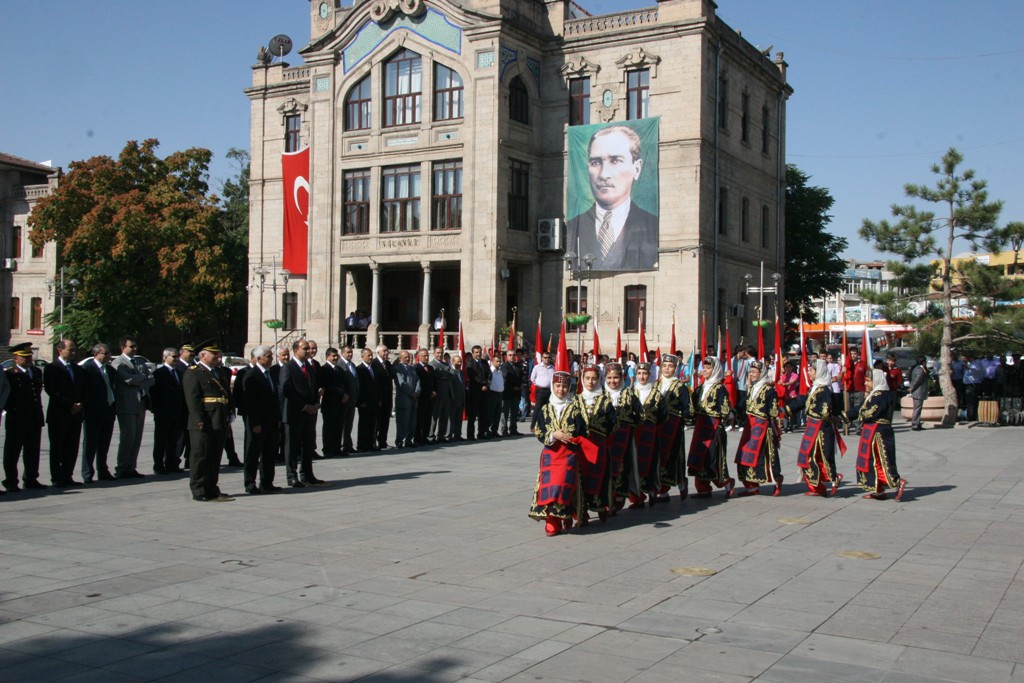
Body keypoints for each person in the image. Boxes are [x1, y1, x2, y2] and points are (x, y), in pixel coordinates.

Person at [566, 125, 658, 271]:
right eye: (596, 162)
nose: (603, 174)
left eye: (615, 161)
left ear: (637, 168)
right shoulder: (571, 228)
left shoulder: (652, 225)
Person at [528, 369, 584, 536]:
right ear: (553, 386)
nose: (561, 389)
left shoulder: (575, 409)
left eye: (565, 386)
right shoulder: (545, 409)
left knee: (564, 487)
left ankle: (565, 517)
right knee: (549, 488)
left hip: (568, 455)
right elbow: (539, 430)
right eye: (558, 386)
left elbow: (582, 430)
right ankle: (552, 522)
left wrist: (571, 437)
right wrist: (553, 435)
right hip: (550, 454)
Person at [182, 343, 234, 502]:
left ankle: (212, 488)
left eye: (219, 355)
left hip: (219, 418)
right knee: (200, 456)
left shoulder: (219, 372)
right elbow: (193, 399)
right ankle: (199, 490)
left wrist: (230, 411)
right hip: (204, 420)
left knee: (214, 455)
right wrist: (198, 420)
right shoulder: (194, 373)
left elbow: (226, 395)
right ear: (203, 356)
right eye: (215, 355)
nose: (219, 358)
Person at [279, 339, 329, 487]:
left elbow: (313, 387)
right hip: (295, 412)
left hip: (310, 413)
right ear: (296, 350)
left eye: (309, 349)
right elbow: (286, 389)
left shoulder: (310, 366)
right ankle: (292, 475)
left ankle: (307, 474)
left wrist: (315, 403)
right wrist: (303, 406)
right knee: (292, 446)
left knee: (308, 444)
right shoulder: (288, 367)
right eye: (305, 349)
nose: (308, 351)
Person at [855, 368, 907, 501]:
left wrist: (860, 414)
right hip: (871, 431)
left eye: (868, 381)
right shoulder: (874, 394)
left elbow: (870, 413)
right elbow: (862, 409)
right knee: (872, 460)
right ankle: (878, 490)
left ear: (876, 380)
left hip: (879, 432)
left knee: (882, 460)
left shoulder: (882, 395)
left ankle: (897, 482)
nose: (866, 384)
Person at [575, 364, 617, 525]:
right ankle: (582, 511)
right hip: (581, 447)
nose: (590, 382)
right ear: (582, 379)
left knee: (599, 477)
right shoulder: (576, 400)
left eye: (593, 378)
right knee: (582, 478)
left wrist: (604, 437)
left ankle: (600, 506)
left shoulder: (605, 401)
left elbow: (614, 423)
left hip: (599, 445)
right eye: (587, 378)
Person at [41, 339, 87, 488]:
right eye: (70, 350)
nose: (74, 353)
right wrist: (70, 404)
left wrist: (80, 403)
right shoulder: (52, 368)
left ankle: (68, 475)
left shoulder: (78, 369)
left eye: (75, 350)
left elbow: (84, 389)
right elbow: (52, 391)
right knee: (57, 447)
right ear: (60, 350)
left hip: (75, 413)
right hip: (59, 413)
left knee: (72, 446)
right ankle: (57, 477)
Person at [688, 356, 734, 498]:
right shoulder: (700, 388)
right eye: (704, 368)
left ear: (715, 370)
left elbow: (725, 410)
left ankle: (726, 483)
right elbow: (692, 407)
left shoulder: (720, 388)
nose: (705, 370)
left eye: (708, 368)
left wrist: (712, 414)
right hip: (700, 427)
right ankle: (703, 488)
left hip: (714, 428)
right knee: (699, 456)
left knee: (713, 458)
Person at [734, 361, 783, 496]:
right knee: (744, 454)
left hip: (763, 427)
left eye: (755, 372)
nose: (752, 375)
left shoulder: (769, 390)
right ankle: (751, 486)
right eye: (750, 372)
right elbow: (742, 405)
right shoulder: (751, 388)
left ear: (761, 373)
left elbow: (773, 411)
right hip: (750, 427)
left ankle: (776, 479)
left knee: (765, 456)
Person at [797, 359, 845, 497]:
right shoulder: (815, 388)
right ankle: (816, 487)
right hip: (812, 428)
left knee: (817, 457)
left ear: (819, 373)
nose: (809, 372)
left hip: (820, 430)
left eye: (811, 370)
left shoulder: (824, 390)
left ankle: (831, 479)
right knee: (810, 457)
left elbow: (825, 411)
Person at [3, 343, 46, 491]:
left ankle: (31, 478)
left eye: (30, 356)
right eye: (25, 356)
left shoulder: (35, 372)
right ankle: (11, 481)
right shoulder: (10, 373)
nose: (29, 359)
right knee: (12, 452)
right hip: (17, 418)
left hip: (34, 416)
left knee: (32, 450)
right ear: (16, 357)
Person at [111, 336, 155, 479]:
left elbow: (152, 379)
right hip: (126, 405)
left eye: (136, 346)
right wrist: (141, 377)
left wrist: (139, 378)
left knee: (137, 437)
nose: (135, 349)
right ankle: (121, 467)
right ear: (123, 348)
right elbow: (127, 379)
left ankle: (131, 466)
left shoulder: (139, 361)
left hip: (141, 403)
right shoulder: (118, 362)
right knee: (128, 436)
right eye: (131, 346)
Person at [241, 345, 281, 493]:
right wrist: (254, 423)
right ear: (259, 359)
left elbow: (274, 398)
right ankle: (250, 483)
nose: (271, 359)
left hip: (271, 421)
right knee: (253, 453)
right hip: (257, 422)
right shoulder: (251, 375)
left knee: (269, 453)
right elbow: (249, 402)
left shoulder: (270, 374)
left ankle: (267, 482)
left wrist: (277, 418)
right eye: (268, 356)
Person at [655, 353, 691, 503]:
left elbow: (687, 407)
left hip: (674, 427)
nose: (667, 369)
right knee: (659, 456)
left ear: (676, 368)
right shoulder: (656, 384)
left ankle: (681, 481)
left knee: (674, 456)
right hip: (658, 426)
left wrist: (686, 419)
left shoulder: (680, 386)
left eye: (670, 366)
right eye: (664, 366)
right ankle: (662, 491)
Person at [604, 362, 639, 513]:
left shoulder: (629, 394)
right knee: (606, 467)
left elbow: (640, 414)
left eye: (616, 377)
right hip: (605, 437)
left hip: (623, 437)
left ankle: (618, 496)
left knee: (621, 466)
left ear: (622, 377)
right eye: (609, 377)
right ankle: (607, 499)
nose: (613, 381)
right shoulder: (601, 394)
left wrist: (629, 423)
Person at [628, 361, 664, 507]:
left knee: (651, 461)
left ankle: (652, 489)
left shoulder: (656, 393)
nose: (642, 377)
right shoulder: (630, 392)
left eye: (645, 374)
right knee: (635, 463)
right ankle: (637, 496)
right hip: (635, 433)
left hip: (651, 433)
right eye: (639, 373)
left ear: (650, 375)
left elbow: (663, 414)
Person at [80, 343, 117, 483]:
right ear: (96, 354)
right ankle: (87, 473)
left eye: (109, 353)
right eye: (105, 353)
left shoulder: (110, 370)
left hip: (108, 410)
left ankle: (103, 469)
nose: (108, 356)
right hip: (93, 412)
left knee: (104, 443)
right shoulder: (87, 369)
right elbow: (85, 390)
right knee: (90, 443)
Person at [150, 347, 187, 474]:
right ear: (165, 357)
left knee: (174, 441)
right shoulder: (159, 373)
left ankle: (171, 464)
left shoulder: (179, 373)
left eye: (177, 356)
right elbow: (154, 394)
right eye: (174, 356)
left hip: (177, 412)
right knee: (161, 441)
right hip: (163, 413)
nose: (176, 359)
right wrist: (156, 409)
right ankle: (159, 465)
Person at [318, 347, 348, 457]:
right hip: (330, 403)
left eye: (336, 356)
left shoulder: (339, 370)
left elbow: (344, 384)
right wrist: (341, 392)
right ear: (327, 357)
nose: (335, 358)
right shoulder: (324, 369)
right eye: (333, 356)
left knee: (338, 427)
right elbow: (326, 385)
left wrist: (345, 394)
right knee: (329, 428)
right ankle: (328, 449)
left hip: (340, 403)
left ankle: (336, 448)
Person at [392, 350, 420, 448]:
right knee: (402, 422)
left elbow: (417, 381)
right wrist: (411, 393)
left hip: (413, 399)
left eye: (408, 357)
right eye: (405, 357)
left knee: (412, 422)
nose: (408, 359)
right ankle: (400, 440)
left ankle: (409, 440)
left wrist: (416, 392)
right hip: (404, 399)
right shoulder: (398, 368)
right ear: (400, 358)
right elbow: (402, 383)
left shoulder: (412, 368)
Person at [355, 348, 379, 452]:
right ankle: (362, 445)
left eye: (371, 355)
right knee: (364, 424)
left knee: (372, 423)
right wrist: (361, 401)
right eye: (368, 355)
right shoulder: (360, 369)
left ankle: (371, 443)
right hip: (364, 402)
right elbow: (359, 387)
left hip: (373, 401)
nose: (370, 357)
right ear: (362, 356)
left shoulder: (373, 368)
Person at [466, 345, 491, 439]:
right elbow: (474, 377)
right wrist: (484, 383)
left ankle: (481, 433)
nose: (478, 354)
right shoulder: (470, 363)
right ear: (473, 353)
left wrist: (487, 384)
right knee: (472, 416)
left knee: (483, 414)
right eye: (476, 352)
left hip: (484, 392)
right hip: (475, 392)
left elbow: (489, 374)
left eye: (479, 352)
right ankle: (470, 435)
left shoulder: (485, 362)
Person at [428, 346, 452, 442]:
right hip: (436, 394)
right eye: (437, 353)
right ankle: (430, 435)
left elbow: (450, 376)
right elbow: (435, 377)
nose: (439, 355)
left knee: (444, 416)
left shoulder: (446, 365)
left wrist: (443, 376)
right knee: (434, 416)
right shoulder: (431, 365)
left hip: (446, 393)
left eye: (441, 353)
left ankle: (441, 435)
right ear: (434, 353)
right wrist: (444, 376)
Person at [339, 345, 360, 453]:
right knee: (342, 423)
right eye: (347, 352)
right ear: (342, 353)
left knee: (349, 424)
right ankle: (342, 444)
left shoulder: (352, 365)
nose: (350, 354)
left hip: (352, 399)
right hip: (344, 399)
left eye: (351, 352)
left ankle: (348, 444)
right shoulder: (340, 365)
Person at [372, 345, 394, 449]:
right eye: (384, 351)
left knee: (385, 421)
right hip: (379, 398)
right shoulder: (374, 364)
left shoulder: (388, 364)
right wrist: (378, 398)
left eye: (387, 351)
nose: (386, 353)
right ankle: (373, 442)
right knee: (377, 422)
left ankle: (382, 441)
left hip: (388, 398)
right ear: (378, 352)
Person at [413, 348, 435, 445]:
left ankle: (425, 436)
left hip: (431, 397)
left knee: (428, 419)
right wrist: (427, 392)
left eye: (427, 356)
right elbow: (419, 383)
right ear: (419, 357)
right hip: (422, 397)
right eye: (424, 356)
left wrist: (434, 391)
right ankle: (418, 438)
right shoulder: (416, 368)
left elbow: (434, 381)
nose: (426, 357)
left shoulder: (430, 368)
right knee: (420, 419)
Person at [500, 349, 523, 436]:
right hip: (508, 392)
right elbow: (507, 377)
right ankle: (504, 430)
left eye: (514, 355)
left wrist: (521, 385)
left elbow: (521, 377)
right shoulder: (504, 366)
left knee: (514, 413)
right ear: (506, 356)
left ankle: (513, 429)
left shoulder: (517, 366)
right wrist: (515, 386)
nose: (512, 357)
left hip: (516, 393)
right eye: (510, 355)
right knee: (505, 413)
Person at [529, 351, 554, 431]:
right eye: (545, 357)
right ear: (542, 358)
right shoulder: (537, 367)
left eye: (548, 358)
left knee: (548, 409)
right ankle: (533, 426)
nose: (547, 359)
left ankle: (546, 426)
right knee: (537, 409)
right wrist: (539, 384)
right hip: (540, 391)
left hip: (549, 391)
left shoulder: (553, 368)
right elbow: (532, 378)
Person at [846, 348, 867, 432]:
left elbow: (867, 376)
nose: (853, 355)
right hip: (849, 389)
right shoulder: (847, 364)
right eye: (851, 354)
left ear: (857, 354)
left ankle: (858, 427)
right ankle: (847, 426)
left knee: (858, 408)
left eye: (854, 353)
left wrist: (867, 390)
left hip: (860, 389)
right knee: (848, 408)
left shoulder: (863, 364)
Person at [484, 353, 504, 437]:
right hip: (492, 394)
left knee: (497, 414)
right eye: (497, 361)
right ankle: (486, 430)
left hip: (499, 394)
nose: (499, 363)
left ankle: (494, 431)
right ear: (492, 362)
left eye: (500, 361)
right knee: (490, 414)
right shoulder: (490, 371)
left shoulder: (500, 371)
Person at [448, 353, 466, 441]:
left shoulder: (461, 372)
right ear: (453, 362)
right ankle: (449, 435)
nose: (459, 363)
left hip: (461, 399)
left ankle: (457, 434)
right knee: (451, 419)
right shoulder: (451, 372)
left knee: (459, 419)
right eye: (458, 362)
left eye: (461, 362)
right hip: (453, 399)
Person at [909, 356, 929, 431]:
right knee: (917, 409)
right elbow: (918, 381)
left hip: (917, 391)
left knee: (917, 408)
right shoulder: (919, 370)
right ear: (923, 362)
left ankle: (917, 423)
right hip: (918, 392)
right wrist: (912, 388)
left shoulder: (916, 368)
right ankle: (915, 424)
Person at [780, 360, 801, 432]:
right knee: (784, 412)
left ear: (792, 367)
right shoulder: (782, 376)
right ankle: (785, 427)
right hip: (784, 396)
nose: (787, 368)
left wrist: (784, 384)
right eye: (786, 367)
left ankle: (792, 426)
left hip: (792, 396)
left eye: (789, 367)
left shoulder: (795, 375)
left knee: (791, 412)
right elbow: (779, 382)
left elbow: (792, 382)